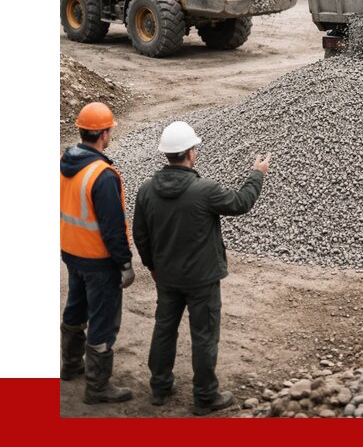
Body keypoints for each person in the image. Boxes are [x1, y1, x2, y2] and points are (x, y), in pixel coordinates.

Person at [133, 121, 269, 416]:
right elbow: (241, 203)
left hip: (167, 277)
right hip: (202, 280)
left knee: (164, 329)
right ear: (190, 152)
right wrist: (257, 174)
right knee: (204, 335)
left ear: (167, 154)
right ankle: (205, 396)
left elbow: (140, 235)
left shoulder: (146, 191)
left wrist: (152, 265)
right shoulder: (204, 190)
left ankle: (160, 387)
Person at [60, 101, 135, 404]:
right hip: (98, 261)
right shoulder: (102, 175)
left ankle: (70, 364)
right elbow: (112, 228)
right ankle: (97, 387)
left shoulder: (64, 162)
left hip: (71, 251)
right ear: (103, 134)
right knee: (102, 322)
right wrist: (125, 264)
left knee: (75, 309)